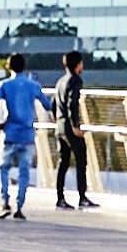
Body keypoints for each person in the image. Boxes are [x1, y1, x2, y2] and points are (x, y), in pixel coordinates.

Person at [0, 67, 40, 222]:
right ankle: (20, 206)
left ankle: (5, 202)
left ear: (9, 67)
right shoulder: (32, 85)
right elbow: (47, 102)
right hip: (27, 135)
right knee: (24, 171)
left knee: (3, 168)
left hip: (10, 133)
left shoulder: (5, 85)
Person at [49, 60, 91, 208]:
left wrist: (57, 120)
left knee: (63, 162)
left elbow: (53, 104)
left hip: (60, 127)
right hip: (69, 128)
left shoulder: (60, 81)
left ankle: (60, 198)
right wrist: (75, 126)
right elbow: (72, 103)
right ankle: (82, 197)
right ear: (77, 65)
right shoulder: (76, 80)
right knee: (81, 160)